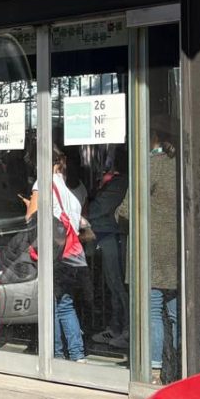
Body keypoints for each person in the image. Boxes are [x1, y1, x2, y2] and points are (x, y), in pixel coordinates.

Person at [23, 146, 91, 363]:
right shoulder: (70, 189)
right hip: (72, 254)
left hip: (54, 254)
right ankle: (78, 353)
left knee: (50, 304)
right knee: (65, 303)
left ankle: (54, 354)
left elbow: (31, 217)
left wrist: (28, 205)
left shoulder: (42, 183)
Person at [86, 148, 130, 350]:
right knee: (114, 284)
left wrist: (83, 212)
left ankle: (125, 329)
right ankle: (117, 326)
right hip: (107, 234)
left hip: (112, 235)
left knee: (118, 284)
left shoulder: (119, 183)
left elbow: (101, 208)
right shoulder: (117, 181)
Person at [148, 117, 180, 385]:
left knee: (153, 309)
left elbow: (127, 208)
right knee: (176, 311)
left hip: (155, 249)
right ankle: (181, 365)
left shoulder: (152, 164)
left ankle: (154, 369)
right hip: (179, 250)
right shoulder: (181, 164)